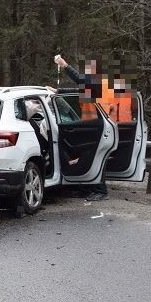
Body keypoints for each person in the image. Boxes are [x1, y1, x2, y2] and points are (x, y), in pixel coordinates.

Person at [53, 54, 111, 201]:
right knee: (86, 158)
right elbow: (78, 91)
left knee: (97, 158)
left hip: (99, 126)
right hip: (89, 126)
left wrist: (64, 65)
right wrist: (57, 92)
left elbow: (80, 81)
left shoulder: (99, 84)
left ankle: (101, 190)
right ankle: (86, 188)